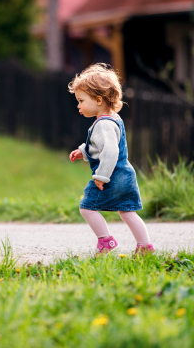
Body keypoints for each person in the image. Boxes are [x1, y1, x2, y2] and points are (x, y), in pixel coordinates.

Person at [68, 63, 154, 254]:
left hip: (111, 176)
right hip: (126, 175)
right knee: (127, 212)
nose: (78, 105)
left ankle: (105, 241)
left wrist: (101, 176)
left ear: (98, 100)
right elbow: (101, 146)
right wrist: (84, 150)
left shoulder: (103, 125)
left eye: (81, 100)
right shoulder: (114, 118)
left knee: (87, 207)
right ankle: (144, 245)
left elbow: (110, 152)